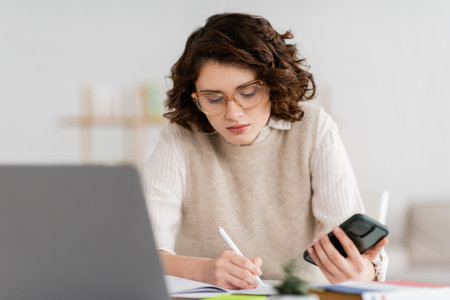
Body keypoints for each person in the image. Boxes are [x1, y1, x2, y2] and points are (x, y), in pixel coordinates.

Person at [144, 12, 388, 289]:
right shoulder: (181, 136)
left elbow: (353, 253)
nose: (233, 114)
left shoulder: (314, 128)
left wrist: (362, 274)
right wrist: (205, 270)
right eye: (213, 98)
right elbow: (142, 253)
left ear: (273, 85)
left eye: (248, 93)